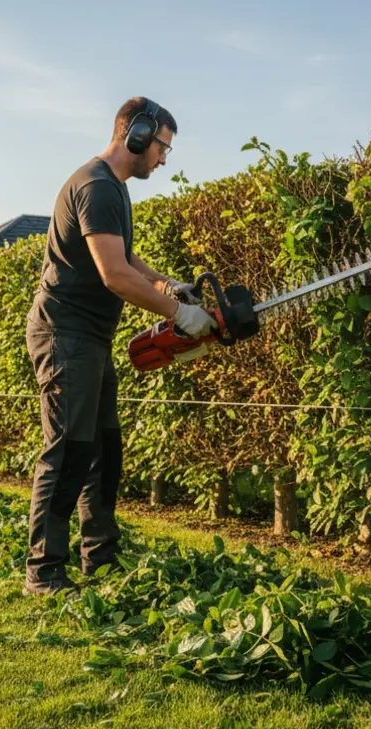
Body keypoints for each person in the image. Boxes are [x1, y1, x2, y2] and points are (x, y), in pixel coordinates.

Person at [22, 96, 217, 595]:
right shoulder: (96, 186)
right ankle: (43, 572)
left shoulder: (114, 190)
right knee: (67, 451)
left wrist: (169, 286)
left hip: (89, 338)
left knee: (104, 451)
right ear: (136, 134)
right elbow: (113, 277)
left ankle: (100, 559)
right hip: (65, 333)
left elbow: (126, 259)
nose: (164, 158)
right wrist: (180, 315)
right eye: (162, 147)